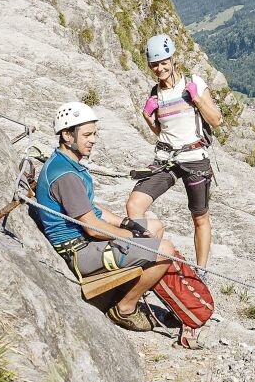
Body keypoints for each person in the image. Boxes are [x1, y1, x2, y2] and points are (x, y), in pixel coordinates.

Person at [30, 100, 176, 333]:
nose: (93, 140)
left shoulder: (68, 164)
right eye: (87, 134)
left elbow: (92, 210)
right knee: (165, 250)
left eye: (94, 134)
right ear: (68, 135)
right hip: (79, 251)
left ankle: (120, 289)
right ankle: (124, 308)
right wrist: (130, 235)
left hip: (86, 242)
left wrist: (126, 223)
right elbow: (92, 227)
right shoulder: (66, 175)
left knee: (155, 226)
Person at [125, 34, 223, 274]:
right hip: (166, 160)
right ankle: (150, 255)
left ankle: (201, 271)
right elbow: (161, 131)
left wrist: (196, 98)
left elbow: (217, 120)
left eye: (164, 62)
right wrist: (148, 119)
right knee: (134, 205)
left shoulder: (194, 83)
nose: (160, 68)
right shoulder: (154, 93)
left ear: (173, 60)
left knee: (199, 217)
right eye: (155, 64)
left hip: (194, 159)